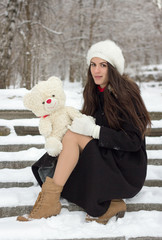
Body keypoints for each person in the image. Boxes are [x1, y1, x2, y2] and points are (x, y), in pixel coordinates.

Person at [17, 40, 151, 224]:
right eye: (93, 64)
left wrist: (94, 130)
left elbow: (133, 141)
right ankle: (53, 199)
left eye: (103, 65)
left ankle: (51, 200)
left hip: (127, 170)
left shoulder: (126, 93)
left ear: (112, 68)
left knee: (73, 137)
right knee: (70, 133)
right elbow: (91, 125)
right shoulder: (95, 91)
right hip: (109, 158)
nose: (96, 70)